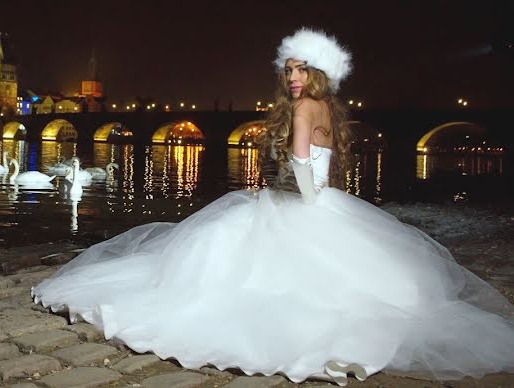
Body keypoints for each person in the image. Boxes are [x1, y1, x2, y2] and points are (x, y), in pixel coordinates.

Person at [32, 28, 514, 386]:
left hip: (300, 201)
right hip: (328, 202)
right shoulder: (328, 108)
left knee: (226, 268)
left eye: (301, 70)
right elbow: (320, 163)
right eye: (288, 70)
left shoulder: (303, 110)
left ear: (318, 72)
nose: (293, 78)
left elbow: (302, 162)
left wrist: (291, 195)